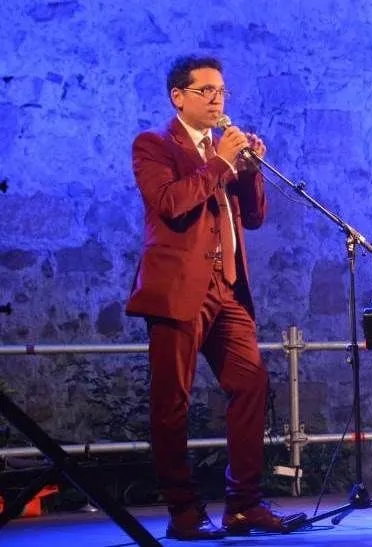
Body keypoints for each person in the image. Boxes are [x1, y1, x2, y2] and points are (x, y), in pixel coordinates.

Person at [126, 55, 302, 540]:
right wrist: (221, 161)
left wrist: (248, 170)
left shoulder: (223, 151)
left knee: (251, 384)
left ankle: (244, 504)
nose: (217, 99)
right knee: (172, 401)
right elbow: (170, 204)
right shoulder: (154, 145)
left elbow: (255, 217)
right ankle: (183, 512)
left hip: (227, 289)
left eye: (221, 91)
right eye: (205, 91)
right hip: (177, 290)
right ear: (177, 96)